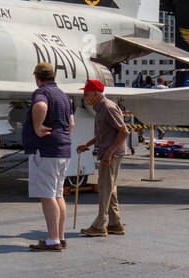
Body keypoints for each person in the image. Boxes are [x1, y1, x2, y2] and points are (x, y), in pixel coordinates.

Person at [25, 62, 74, 251]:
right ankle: (60, 236)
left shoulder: (42, 93)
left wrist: (37, 127)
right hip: (63, 149)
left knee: (47, 196)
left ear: (37, 77)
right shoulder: (64, 96)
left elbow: (40, 106)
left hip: (46, 150)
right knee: (58, 194)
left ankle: (52, 240)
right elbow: (72, 123)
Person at [76, 79, 127, 238]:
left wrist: (109, 153)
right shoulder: (101, 108)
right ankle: (115, 224)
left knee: (105, 188)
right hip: (108, 152)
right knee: (109, 188)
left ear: (96, 93)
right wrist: (87, 144)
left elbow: (124, 132)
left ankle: (99, 225)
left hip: (111, 154)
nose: (85, 97)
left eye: (87, 93)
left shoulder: (108, 108)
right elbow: (103, 134)